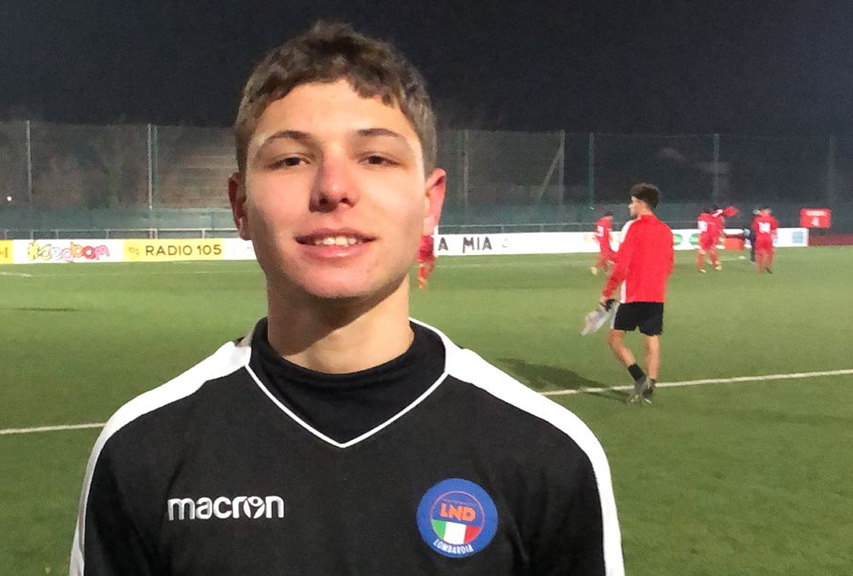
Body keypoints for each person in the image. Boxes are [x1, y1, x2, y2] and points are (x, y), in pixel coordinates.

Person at [71, 22, 624, 576]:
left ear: (430, 203)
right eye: (291, 160)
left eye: (376, 158)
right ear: (240, 206)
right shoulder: (142, 449)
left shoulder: (550, 453)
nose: (333, 188)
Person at [599, 183, 674, 404]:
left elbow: (622, 265)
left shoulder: (632, 227)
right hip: (656, 294)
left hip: (632, 294)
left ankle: (639, 377)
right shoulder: (665, 230)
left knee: (614, 339)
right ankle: (650, 388)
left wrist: (607, 292)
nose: (629, 206)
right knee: (652, 338)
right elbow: (669, 264)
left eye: (632, 202)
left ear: (641, 203)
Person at [752, 206, 779, 274]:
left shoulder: (757, 219)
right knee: (770, 252)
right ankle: (768, 265)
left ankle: (761, 269)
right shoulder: (771, 219)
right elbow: (774, 229)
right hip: (768, 238)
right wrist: (775, 238)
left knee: (759, 253)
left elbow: (754, 228)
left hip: (759, 238)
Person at [696, 206, 721, 273]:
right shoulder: (711, 218)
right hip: (709, 236)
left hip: (703, 236)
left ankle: (701, 268)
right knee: (711, 250)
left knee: (702, 251)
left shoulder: (701, 218)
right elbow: (719, 213)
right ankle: (715, 265)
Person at [591, 211, 616, 275]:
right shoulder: (607, 222)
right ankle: (596, 267)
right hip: (605, 241)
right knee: (605, 256)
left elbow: (597, 231)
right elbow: (608, 230)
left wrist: (597, 238)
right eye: (611, 217)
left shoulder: (600, 221)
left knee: (607, 255)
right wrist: (610, 236)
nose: (612, 218)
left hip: (601, 241)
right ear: (609, 216)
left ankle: (606, 270)